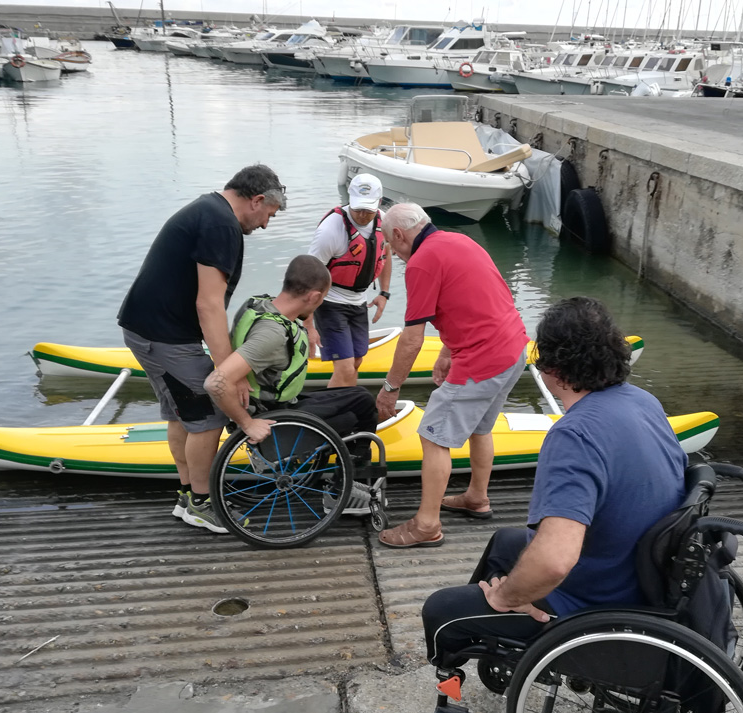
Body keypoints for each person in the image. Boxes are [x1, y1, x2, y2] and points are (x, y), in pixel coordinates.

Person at [421, 297, 689, 664]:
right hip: (645, 573)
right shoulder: (644, 401)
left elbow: (554, 562)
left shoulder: (574, 436)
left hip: (595, 600)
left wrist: (503, 598)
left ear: (553, 370)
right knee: (505, 542)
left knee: (441, 610)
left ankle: (453, 669)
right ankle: (497, 647)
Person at [117, 164, 286, 534]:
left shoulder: (209, 211)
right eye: (268, 215)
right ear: (256, 200)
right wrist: (228, 373)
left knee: (182, 416)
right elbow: (209, 305)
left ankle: (189, 496)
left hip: (148, 328)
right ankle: (203, 504)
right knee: (209, 415)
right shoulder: (220, 225)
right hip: (164, 336)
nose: (265, 225)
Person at [374, 203, 529, 549]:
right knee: (480, 427)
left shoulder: (421, 262)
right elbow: (477, 299)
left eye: (389, 243)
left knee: (433, 435)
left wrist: (390, 388)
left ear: (399, 235)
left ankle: (427, 524)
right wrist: (447, 351)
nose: (393, 252)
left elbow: (412, 339)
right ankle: (477, 497)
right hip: (515, 347)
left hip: (484, 359)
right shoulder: (460, 241)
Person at [203, 254, 379, 508]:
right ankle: (346, 489)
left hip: (271, 401)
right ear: (315, 297)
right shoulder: (273, 334)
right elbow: (215, 383)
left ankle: (345, 481)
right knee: (358, 412)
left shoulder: (257, 305)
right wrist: (247, 423)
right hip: (274, 417)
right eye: (322, 299)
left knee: (359, 396)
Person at [305, 173, 393, 387]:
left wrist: (384, 293)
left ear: (379, 203)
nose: (362, 215)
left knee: (356, 361)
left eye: (368, 210)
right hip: (330, 302)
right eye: (358, 208)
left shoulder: (385, 222)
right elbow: (308, 275)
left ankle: (343, 407)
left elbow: (386, 252)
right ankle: (332, 416)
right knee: (344, 368)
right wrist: (308, 325)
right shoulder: (330, 230)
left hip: (358, 302)